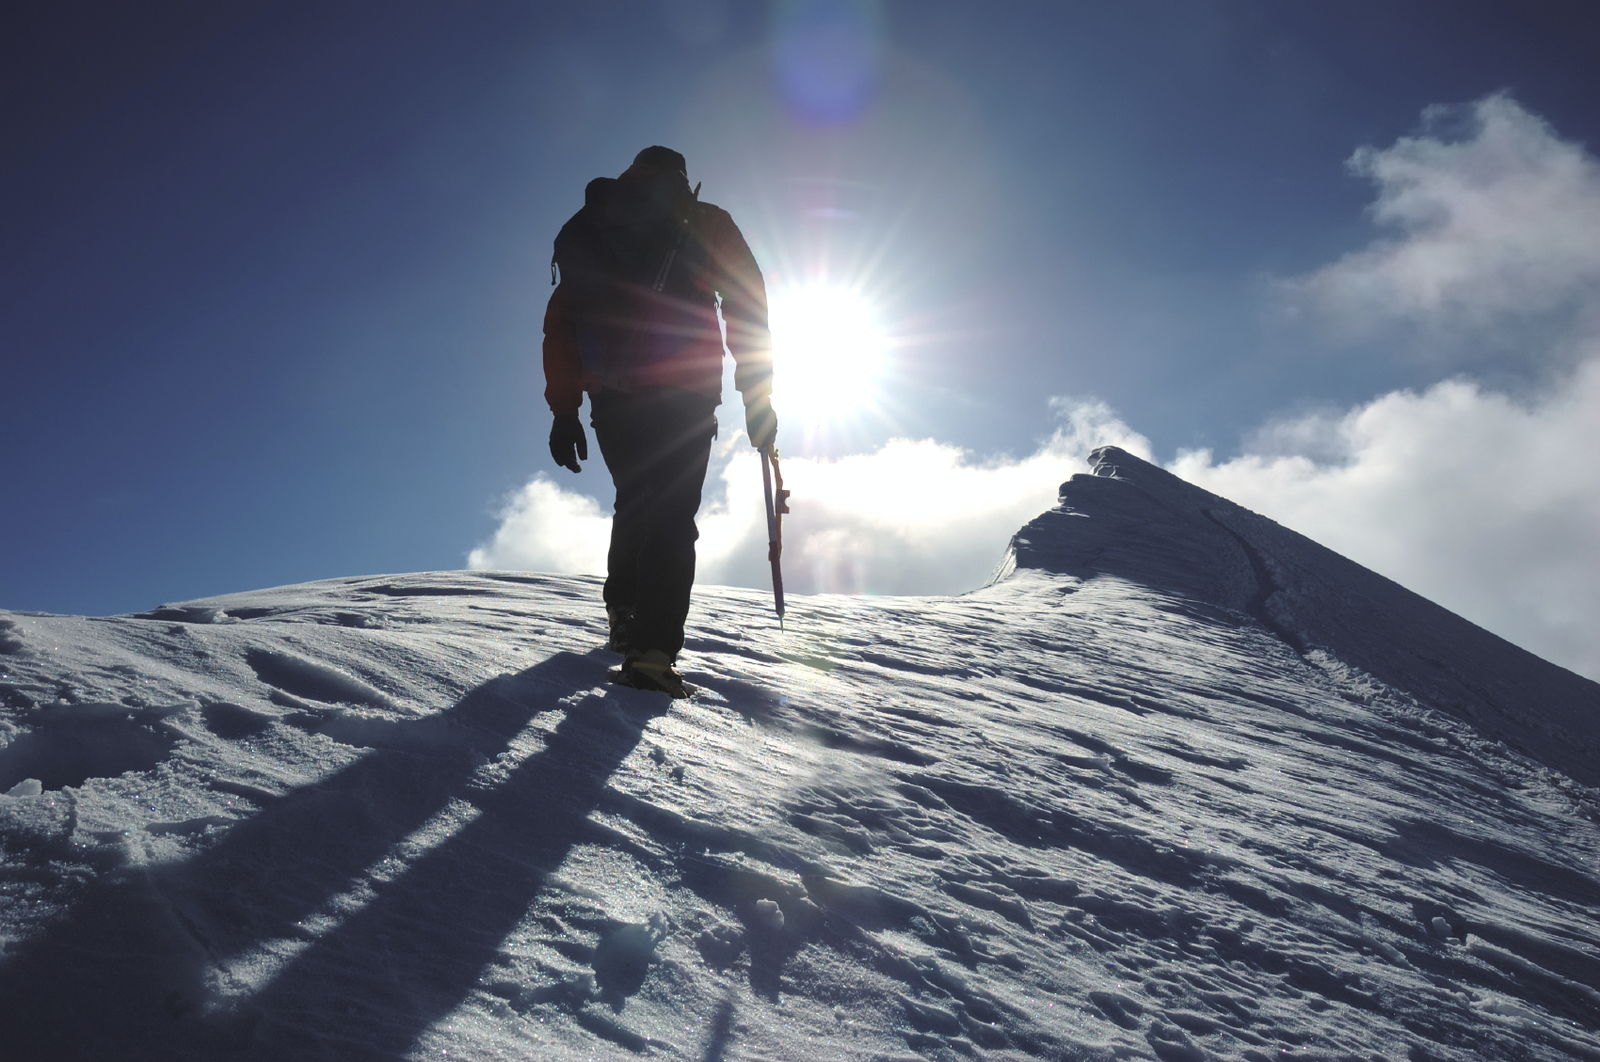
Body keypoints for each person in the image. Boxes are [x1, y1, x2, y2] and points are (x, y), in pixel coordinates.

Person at [543, 146, 776, 698]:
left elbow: (560, 321)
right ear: (681, 177)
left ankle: (624, 612)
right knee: (671, 513)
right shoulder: (703, 220)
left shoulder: (594, 223)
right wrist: (757, 394)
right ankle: (652, 653)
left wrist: (564, 411)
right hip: (684, 391)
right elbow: (748, 303)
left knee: (635, 500)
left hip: (612, 396)